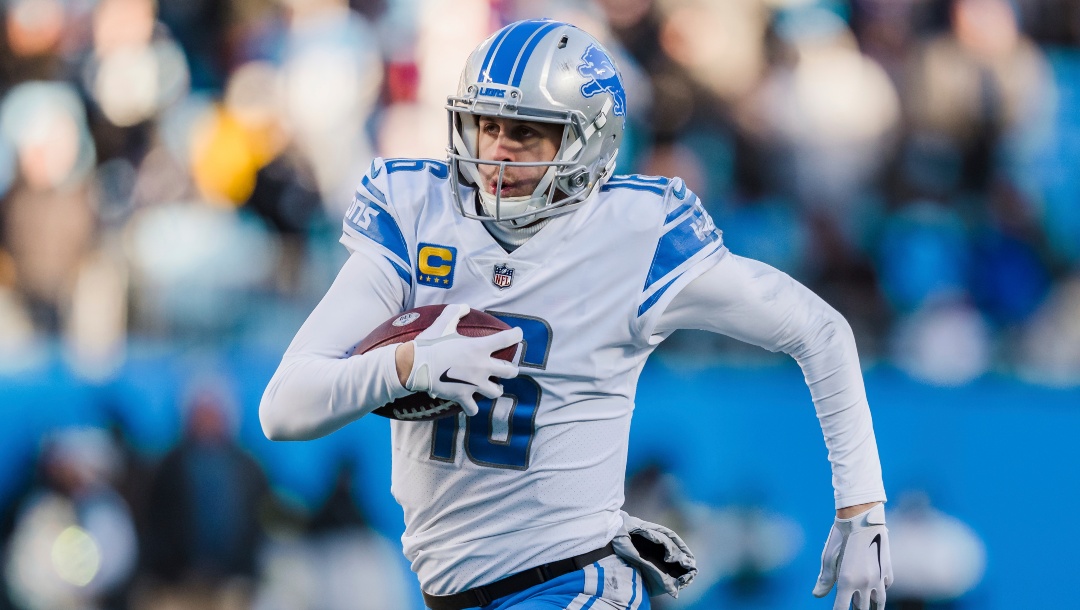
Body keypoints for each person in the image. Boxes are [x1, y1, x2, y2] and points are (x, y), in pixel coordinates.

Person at [260, 18, 892, 610]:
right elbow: (284, 408)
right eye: (486, 126)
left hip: (569, 582)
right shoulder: (416, 210)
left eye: (525, 132)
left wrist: (862, 508)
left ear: (588, 142)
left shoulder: (635, 235)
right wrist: (407, 365)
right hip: (457, 590)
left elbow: (820, 329)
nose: (498, 152)